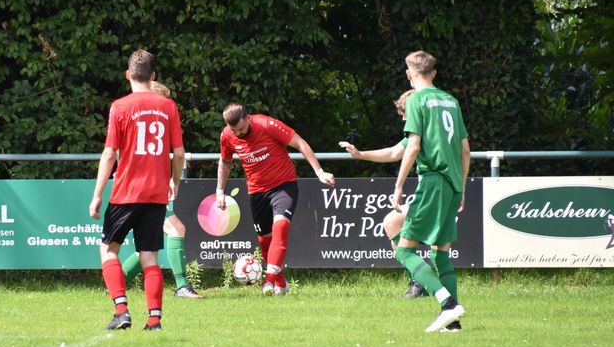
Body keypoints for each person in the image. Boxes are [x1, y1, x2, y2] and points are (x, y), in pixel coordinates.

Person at [89, 50, 185, 331]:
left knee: (109, 250)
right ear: (153, 76)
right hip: (156, 194)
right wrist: (174, 182)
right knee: (149, 256)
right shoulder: (168, 106)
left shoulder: (119, 106)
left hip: (126, 192)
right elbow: (179, 153)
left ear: (128, 75)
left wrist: (97, 194)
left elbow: (110, 153)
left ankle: (121, 311)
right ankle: (154, 320)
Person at [216, 103, 336, 296]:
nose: (238, 133)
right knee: (264, 241)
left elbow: (300, 143)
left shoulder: (267, 125)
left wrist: (319, 172)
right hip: (256, 191)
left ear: (248, 118)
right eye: (233, 130)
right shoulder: (227, 135)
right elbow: (226, 162)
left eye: (241, 128)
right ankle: (281, 284)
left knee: (280, 226)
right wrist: (220, 190)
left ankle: (269, 281)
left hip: (283, 185)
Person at [392, 51, 470, 333]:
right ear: (434, 73)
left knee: (405, 251)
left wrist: (399, 185)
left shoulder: (416, 100)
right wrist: (462, 187)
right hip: (453, 183)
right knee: (441, 254)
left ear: (409, 74)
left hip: (433, 181)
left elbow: (413, 146)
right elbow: (465, 150)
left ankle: (448, 304)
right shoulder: (451, 101)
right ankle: (453, 324)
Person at [339, 89, 428, 299]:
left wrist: (399, 186)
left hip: (435, 191)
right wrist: (360, 154)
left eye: (404, 113)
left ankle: (429, 284)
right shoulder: (420, 131)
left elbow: (407, 151)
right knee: (393, 225)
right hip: (432, 191)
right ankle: (422, 281)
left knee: (396, 225)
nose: (403, 119)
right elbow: (394, 152)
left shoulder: (423, 131)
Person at [120, 81, 202, 298]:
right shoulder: (149, 121)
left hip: (142, 186)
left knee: (149, 244)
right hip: (144, 188)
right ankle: (182, 286)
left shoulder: (136, 117)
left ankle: (117, 281)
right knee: (176, 229)